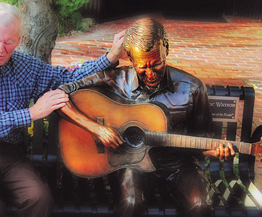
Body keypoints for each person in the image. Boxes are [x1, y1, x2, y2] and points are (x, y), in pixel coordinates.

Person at [0, 2, 125, 217]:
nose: (1, 49)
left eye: (9, 42)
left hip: (10, 154)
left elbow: (65, 77)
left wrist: (110, 57)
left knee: (40, 198)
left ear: (19, 39)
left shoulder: (25, 66)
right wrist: (31, 113)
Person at [58, 17, 235, 217]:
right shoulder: (115, 79)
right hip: (133, 164)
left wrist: (213, 150)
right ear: (131, 59)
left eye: (157, 63)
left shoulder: (192, 87)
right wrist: (97, 128)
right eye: (142, 67)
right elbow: (60, 95)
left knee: (201, 205)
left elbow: (204, 137)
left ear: (166, 50)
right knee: (131, 202)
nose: (150, 73)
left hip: (177, 165)